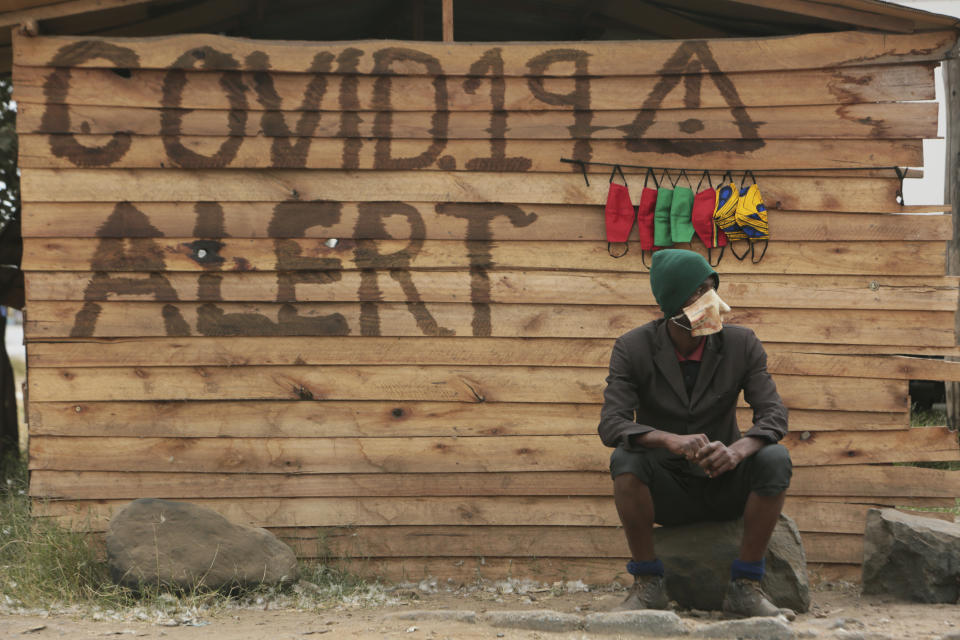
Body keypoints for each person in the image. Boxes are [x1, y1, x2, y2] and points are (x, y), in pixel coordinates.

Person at [598, 248, 792, 618]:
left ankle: (745, 588)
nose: (713, 302)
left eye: (712, 288)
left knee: (774, 458)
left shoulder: (741, 343)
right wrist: (668, 439)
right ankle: (648, 585)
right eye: (697, 292)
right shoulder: (632, 348)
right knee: (624, 459)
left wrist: (738, 451)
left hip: (725, 485)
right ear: (672, 306)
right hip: (668, 492)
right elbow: (612, 423)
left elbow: (774, 415)